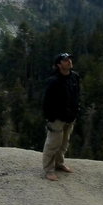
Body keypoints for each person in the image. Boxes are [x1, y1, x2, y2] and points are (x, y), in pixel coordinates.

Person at [42, 52, 81, 181]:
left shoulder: (75, 77)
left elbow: (77, 95)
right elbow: (46, 102)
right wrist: (50, 118)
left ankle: (59, 163)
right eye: (65, 60)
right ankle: (49, 169)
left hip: (70, 117)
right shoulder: (53, 81)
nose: (69, 61)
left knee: (64, 143)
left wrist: (76, 111)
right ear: (59, 64)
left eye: (70, 59)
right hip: (57, 118)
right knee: (53, 143)